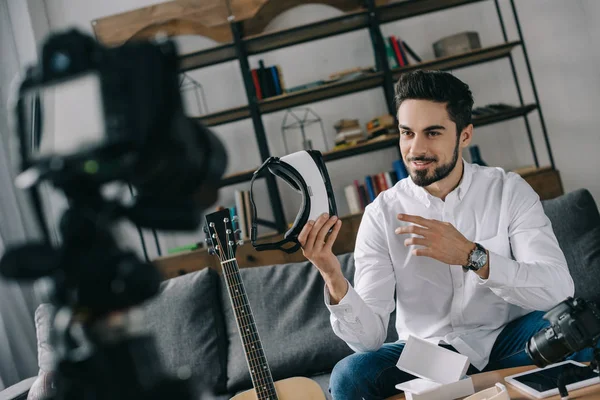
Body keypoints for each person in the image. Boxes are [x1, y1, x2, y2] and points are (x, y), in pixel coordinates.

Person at [298, 70, 594, 400]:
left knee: (580, 328)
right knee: (350, 375)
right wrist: (331, 274)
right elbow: (368, 341)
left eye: (432, 133)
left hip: (508, 342)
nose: (416, 149)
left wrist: (473, 256)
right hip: (429, 358)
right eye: (407, 133)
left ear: (465, 135)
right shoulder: (381, 214)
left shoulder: (508, 191)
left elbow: (558, 290)